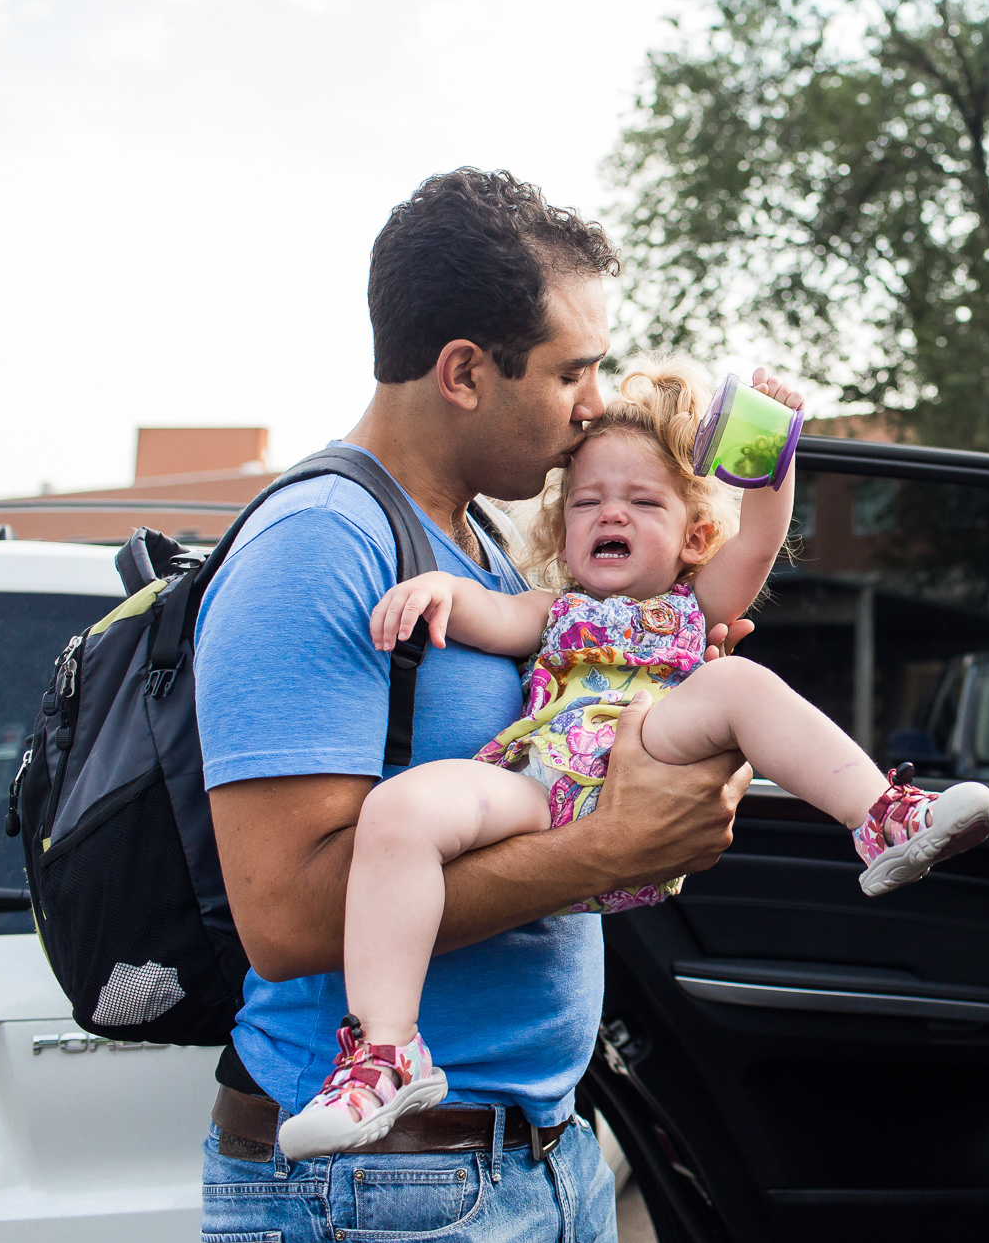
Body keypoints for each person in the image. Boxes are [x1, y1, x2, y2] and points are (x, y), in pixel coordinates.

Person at [195, 169, 754, 1243]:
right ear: (463, 371)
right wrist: (609, 849)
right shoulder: (322, 546)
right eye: (572, 371)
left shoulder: (481, 547)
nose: (594, 402)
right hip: (381, 1192)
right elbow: (284, 918)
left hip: (525, 1157)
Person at [274, 360, 989, 1159]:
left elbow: (760, 534)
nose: (609, 512)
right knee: (399, 808)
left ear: (693, 534)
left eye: (641, 500)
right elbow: (494, 613)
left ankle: (882, 816)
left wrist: (772, 451)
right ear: (563, 525)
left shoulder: (695, 606)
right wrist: (442, 592)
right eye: (587, 501)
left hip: (648, 758)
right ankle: (387, 1050)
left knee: (735, 682)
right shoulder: (558, 607)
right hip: (540, 787)